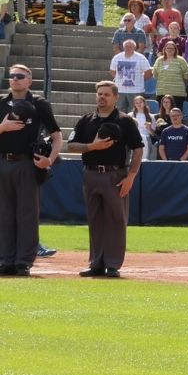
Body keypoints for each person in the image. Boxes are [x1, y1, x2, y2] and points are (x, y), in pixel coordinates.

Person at [69, 81, 143, 278]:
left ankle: (112, 264)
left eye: (106, 94)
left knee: (116, 219)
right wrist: (92, 147)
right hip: (91, 173)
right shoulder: (86, 120)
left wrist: (131, 176)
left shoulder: (125, 120)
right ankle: (96, 263)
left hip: (116, 175)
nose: (102, 97)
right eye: (99, 94)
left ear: (116, 97)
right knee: (95, 219)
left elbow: (138, 149)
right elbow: (71, 146)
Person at [0, 64, 61, 275]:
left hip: (27, 163)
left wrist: (50, 160)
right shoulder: (1, 102)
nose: (14, 79)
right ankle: (5, 260)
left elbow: (56, 135)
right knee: (3, 214)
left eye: (19, 76)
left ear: (29, 81)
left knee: (27, 214)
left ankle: (23, 262)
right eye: (12, 76)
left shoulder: (39, 104)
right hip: (2, 162)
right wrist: (2, 127)